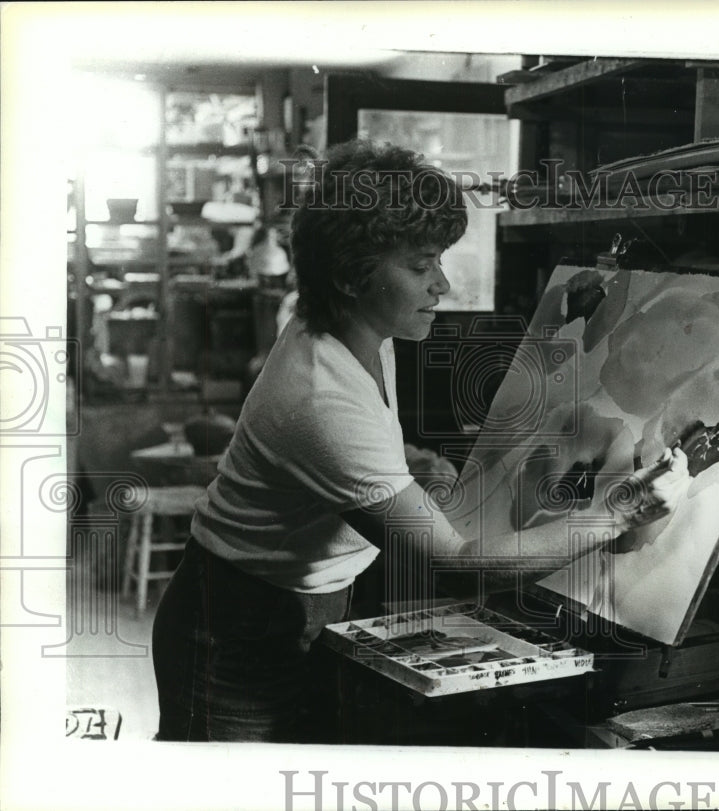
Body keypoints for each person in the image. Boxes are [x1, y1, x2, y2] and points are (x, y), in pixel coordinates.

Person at [151, 139, 688, 743]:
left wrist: (417, 466)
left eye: (439, 260)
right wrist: (613, 516)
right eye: (419, 265)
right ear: (352, 277)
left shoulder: (363, 330)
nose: (443, 284)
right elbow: (454, 565)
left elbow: (352, 457)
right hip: (233, 628)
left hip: (306, 600)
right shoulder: (321, 395)